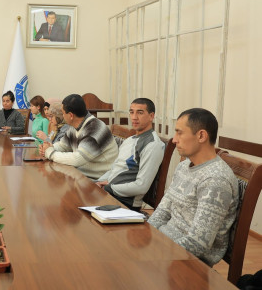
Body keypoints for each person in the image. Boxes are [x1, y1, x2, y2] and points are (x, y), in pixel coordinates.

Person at [148, 108, 239, 266]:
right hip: (163, 246)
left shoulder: (216, 179)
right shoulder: (183, 166)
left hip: (186, 261)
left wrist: (156, 254)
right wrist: (146, 236)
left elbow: (198, 244)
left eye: (179, 133)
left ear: (201, 136)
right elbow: (164, 209)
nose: (174, 139)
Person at [95, 98, 165, 210]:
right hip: (109, 195)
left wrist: (109, 188)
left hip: (124, 204)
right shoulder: (130, 139)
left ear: (151, 116)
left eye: (140, 112)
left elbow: (141, 186)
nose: (134, 117)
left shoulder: (153, 144)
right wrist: (98, 183)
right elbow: (115, 168)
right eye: (132, 112)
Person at [39, 94, 118, 179]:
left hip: (99, 181)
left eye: (63, 113)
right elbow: (63, 145)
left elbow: (77, 159)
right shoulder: (74, 126)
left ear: (71, 115)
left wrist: (50, 153)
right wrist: (49, 147)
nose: (62, 116)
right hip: (81, 176)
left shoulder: (94, 129)